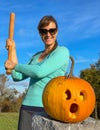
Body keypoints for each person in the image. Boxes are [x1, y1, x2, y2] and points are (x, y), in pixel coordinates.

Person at [5, 15, 70, 130]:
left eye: (52, 30)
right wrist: (13, 49)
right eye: (43, 31)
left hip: (47, 109)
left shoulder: (62, 52)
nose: (48, 34)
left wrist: (14, 65)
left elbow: (39, 72)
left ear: (57, 31)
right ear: (40, 34)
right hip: (27, 107)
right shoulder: (36, 56)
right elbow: (17, 75)